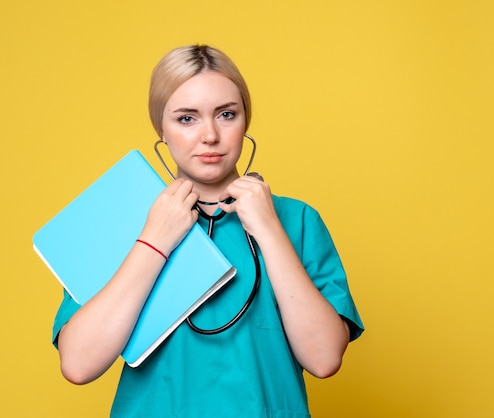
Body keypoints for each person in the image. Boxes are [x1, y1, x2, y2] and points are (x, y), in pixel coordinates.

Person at [52, 44, 364, 417]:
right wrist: (154, 241)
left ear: (245, 121)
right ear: (161, 130)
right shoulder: (125, 217)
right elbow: (78, 364)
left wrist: (268, 229)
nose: (210, 136)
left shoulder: (296, 220)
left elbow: (325, 358)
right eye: (187, 119)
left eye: (226, 114)